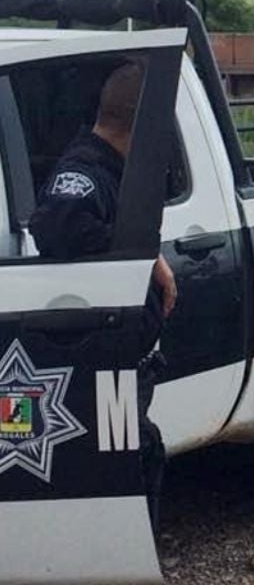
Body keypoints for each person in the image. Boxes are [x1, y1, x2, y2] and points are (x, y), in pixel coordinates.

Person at [27, 60, 178, 531]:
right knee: (125, 467)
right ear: (144, 123)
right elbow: (59, 224)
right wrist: (143, 254)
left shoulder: (111, 168)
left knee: (135, 459)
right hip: (102, 365)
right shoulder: (84, 172)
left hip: (123, 361)